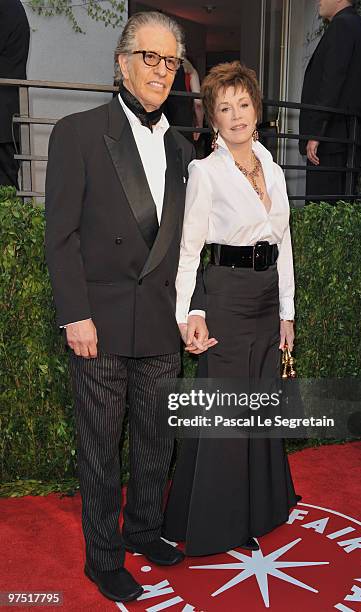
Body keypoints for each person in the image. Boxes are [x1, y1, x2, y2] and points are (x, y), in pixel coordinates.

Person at [45, 12, 200, 603]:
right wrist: (74, 313)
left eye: (170, 62)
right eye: (150, 58)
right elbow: (61, 236)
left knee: (157, 440)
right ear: (122, 61)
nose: (161, 72)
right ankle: (103, 558)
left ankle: (143, 531)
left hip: (161, 322)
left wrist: (195, 310)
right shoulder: (79, 132)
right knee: (101, 447)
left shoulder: (186, 150)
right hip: (101, 325)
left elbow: (189, 246)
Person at [163, 61, 299, 556]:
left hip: (265, 301)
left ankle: (258, 510)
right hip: (225, 296)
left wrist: (287, 314)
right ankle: (213, 521)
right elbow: (188, 250)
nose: (236, 115)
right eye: (225, 107)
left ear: (257, 110)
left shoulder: (276, 171)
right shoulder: (205, 172)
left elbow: (282, 245)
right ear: (212, 118)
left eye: (243, 104)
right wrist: (188, 314)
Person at [299, 0, 361, 200]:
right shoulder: (359, 28)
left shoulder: (342, 26)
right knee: (340, 209)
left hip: (330, 141)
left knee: (321, 211)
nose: (319, 1)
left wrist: (316, 133)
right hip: (347, 138)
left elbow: (331, 82)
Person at [0, 0, 30, 189]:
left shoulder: (5, 7)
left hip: (3, 115)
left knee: (5, 184)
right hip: (7, 114)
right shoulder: (11, 6)